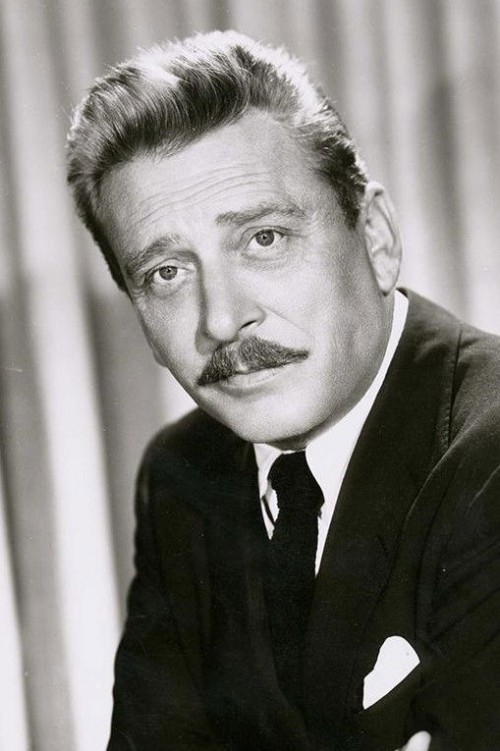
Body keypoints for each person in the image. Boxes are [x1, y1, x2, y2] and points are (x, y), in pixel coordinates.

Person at [67, 31, 500, 751]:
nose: (220, 319)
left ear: (378, 239)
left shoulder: (489, 453)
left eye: (263, 239)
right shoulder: (181, 476)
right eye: (167, 274)